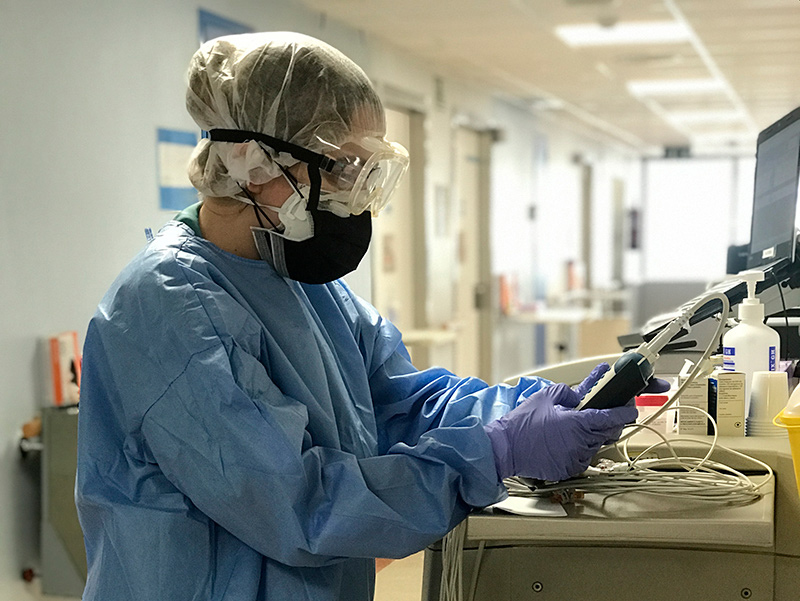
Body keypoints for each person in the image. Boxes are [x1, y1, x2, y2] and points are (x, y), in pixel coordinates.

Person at [75, 32, 660, 601]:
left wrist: (535, 409)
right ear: (250, 160)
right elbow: (298, 505)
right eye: (339, 168)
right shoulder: (167, 307)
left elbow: (399, 402)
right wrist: (494, 453)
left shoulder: (301, 282)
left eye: (366, 171)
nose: (354, 196)